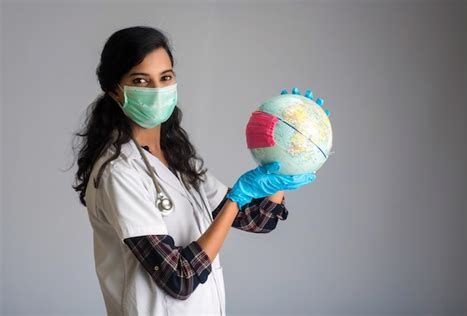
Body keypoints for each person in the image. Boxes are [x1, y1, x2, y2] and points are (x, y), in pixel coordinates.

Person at [72, 26, 328, 316]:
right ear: (116, 91)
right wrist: (236, 199)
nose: (158, 91)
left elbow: (254, 220)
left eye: (165, 77)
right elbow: (179, 278)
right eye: (141, 81)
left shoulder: (179, 158)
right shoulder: (118, 172)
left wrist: (285, 155)